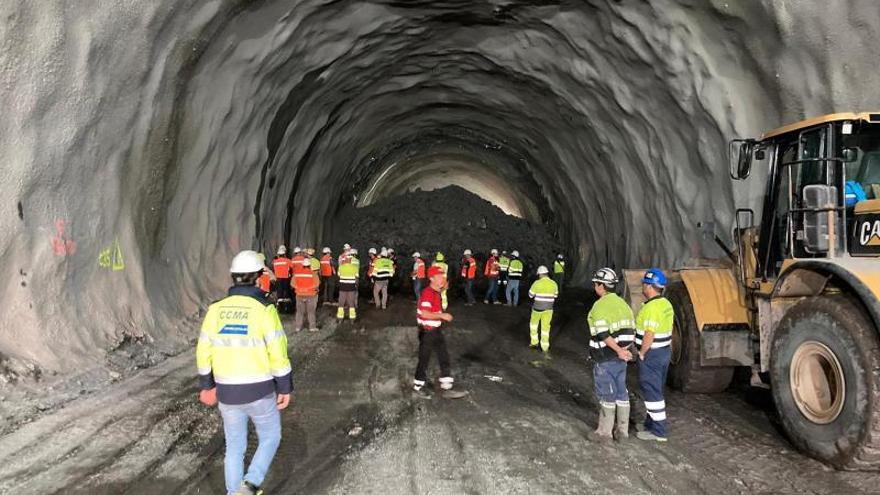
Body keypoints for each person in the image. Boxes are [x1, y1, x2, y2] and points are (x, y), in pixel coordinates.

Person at [197, 250, 292, 495]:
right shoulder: (264, 310)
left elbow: (203, 350)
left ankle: (233, 493)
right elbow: (278, 352)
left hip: (227, 391)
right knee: (271, 436)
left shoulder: (215, 309)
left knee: (235, 447)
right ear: (260, 277)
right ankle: (250, 485)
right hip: (259, 389)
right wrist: (284, 387)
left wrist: (207, 385)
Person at [587, 267, 635, 443]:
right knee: (621, 392)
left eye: (596, 284)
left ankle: (604, 433)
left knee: (606, 393)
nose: (594, 287)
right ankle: (623, 432)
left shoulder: (600, 306)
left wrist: (618, 350)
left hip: (605, 356)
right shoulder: (624, 305)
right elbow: (631, 330)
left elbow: (602, 334)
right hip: (621, 358)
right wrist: (625, 351)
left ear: (602, 286)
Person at [413, 266, 468, 400]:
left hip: (435, 330)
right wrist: (443, 316)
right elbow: (425, 313)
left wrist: (443, 288)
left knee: (444, 356)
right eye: (439, 276)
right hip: (427, 332)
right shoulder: (428, 293)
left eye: (443, 276)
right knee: (424, 360)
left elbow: (436, 297)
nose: (442, 278)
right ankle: (418, 387)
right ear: (431, 278)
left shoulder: (436, 292)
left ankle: (447, 387)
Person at [635, 269, 674, 442]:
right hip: (664, 352)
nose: (643, 286)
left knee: (651, 390)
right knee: (656, 388)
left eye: (644, 283)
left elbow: (649, 334)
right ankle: (650, 423)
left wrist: (642, 353)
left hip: (652, 354)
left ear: (650, 286)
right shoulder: (666, 304)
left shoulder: (652, 308)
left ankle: (659, 431)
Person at [528, 266, 558, 354]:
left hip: (537, 308)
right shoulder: (554, 283)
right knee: (545, 328)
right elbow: (555, 295)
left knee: (534, 325)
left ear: (540, 274)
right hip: (549, 309)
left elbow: (530, 295)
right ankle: (544, 347)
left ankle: (534, 342)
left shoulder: (537, 283)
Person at [292, 254, 320, 332]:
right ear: (310, 265)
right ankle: (312, 327)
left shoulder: (297, 274)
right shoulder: (313, 274)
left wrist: (300, 289)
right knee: (311, 312)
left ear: (302, 265)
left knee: (300, 312)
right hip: (311, 295)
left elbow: (292, 284)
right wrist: (308, 289)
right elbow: (317, 284)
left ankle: (298, 327)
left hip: (299, 295)